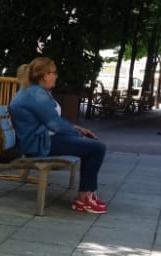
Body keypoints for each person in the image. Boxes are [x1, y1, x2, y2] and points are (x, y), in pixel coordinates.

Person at [9, 56, 108, 214]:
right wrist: (77, 133)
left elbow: (53, 121)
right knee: (97, 147)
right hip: (39, 145)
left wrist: (78, 131)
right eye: (54, 72)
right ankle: (84, 198)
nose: (56, 76)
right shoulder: (36, 94)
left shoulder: (34, 91)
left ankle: (87, 193)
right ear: (45, 75)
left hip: (40, 140)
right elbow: (55, 124)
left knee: (92, 147)